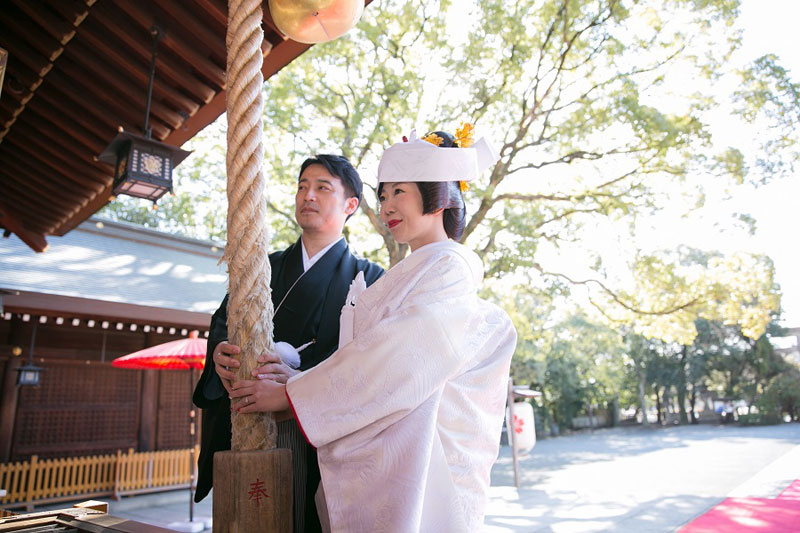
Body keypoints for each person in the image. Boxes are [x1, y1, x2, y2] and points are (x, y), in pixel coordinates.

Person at [230, 126, 517, 532]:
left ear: (436, 196)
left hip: (422, 457)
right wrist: (300, 378)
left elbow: (398, 358)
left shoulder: (451, 267)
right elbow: (364, 356)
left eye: (399, 192)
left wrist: (292, 395)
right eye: (382, 196)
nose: (386, 207)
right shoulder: (406, 273)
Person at [193, 154, 384, 533]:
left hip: (316, 432)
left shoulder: (371, 278)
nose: (307, 195)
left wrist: (300, 384)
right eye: (302, 186)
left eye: (322, 188)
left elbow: (369, 360)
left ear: (351, 205)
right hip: (246, 416)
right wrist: (221, 353)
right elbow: (222, 323)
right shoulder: (261, 266)